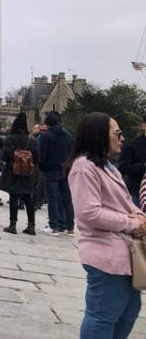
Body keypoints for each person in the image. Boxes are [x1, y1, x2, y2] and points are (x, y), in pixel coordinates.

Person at [68, 112, 146, 338]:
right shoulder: (84, 167)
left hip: (123, 253)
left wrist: (140, 216)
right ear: (99, 136)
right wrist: (131, 223)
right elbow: (88, 213)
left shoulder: (106, 165)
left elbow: (124, 203)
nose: (122, 138)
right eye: (117, 134)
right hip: (106, 255)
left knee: (129, 311)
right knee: (103, 315)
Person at [0, 113, 39, 235]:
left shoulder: (10, 139)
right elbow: (37, 158)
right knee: (28, 199)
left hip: (13, 171)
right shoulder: (31, 140)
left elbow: (4, 156)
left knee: (13, 198)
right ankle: (31, 226)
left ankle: (12, 225)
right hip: (27, 173)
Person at [39, 111, 75, 235]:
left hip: (51, 169)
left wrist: (43, 167)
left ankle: (53, 226)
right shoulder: (68, 135)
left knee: (52, 198)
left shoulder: (45, 136)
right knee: (66, 199)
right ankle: (69, 226)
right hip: (65, 170)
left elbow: (42, 154)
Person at [118, 116, 146, 204]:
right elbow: (123, 167)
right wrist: (143, 166)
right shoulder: (131, 145)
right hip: (139, 194)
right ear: (143, 126)